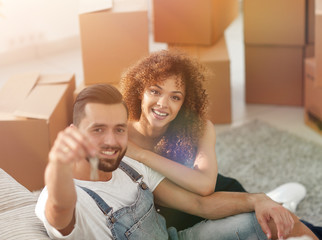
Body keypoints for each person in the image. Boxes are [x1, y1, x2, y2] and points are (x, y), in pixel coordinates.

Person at [35, 84, 318, 240]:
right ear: (72, 134)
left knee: (277, 220)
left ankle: (283, 205)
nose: (111, 140)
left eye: (119, 129)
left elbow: (198, 204)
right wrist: (58, 167)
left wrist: (258, 200)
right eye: (98, 129)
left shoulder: (130, 166)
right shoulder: (62, 198)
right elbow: (60, 209)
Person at [119, 50, 306, 230]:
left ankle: (279, 204)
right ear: (139, 91)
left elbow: (206, 186)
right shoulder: (119, 133)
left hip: (221, 196)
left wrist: (141, 155)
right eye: (155, 91)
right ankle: (276, 201)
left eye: (175, 97)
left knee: (290, 226)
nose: (163, 103)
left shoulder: (198, 128)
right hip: (180, 216)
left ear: (184, 102)